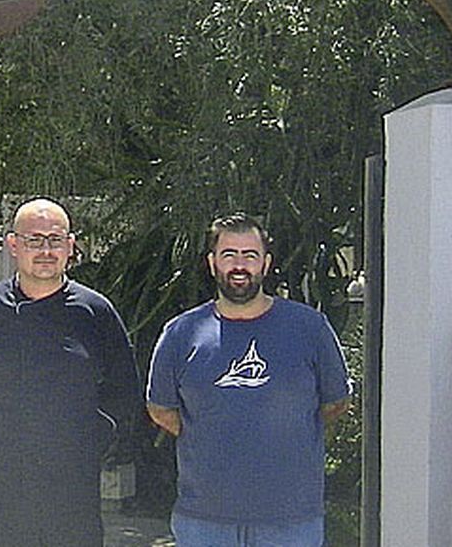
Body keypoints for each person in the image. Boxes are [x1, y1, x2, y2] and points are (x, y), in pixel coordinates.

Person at [0, 198, 139, 546]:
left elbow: (124, 391)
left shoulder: (95, 312)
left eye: (55, 240)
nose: (45, 250)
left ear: (71, 246)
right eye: (34, 240)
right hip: (1, 489)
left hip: (73, 487)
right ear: (13, 245)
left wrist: (93, 437)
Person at [146, 213, 352, 547]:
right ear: (212, 263)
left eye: (249, 255)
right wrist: (211, 431)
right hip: (204, 521)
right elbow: (161, 409)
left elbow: (335, 402)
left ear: (266, 264)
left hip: (291, 520)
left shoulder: (309, 328)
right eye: (229, 255)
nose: (239, 265)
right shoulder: (181, 333)